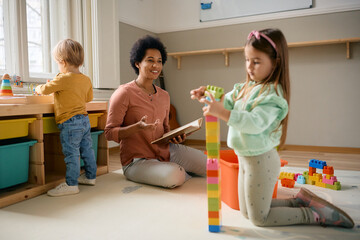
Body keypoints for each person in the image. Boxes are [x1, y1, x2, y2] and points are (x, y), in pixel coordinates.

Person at [190, 29, 354, 228]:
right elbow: (227, 101)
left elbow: (253, 122)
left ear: (275, 63)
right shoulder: (245, 87)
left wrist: (221, 113)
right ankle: (298, 201)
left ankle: (312, 215)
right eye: (247, 60)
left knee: (260, 219)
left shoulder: (273, 97)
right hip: (244, 158)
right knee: (246, 212)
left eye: (256, 61)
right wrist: (208, 94)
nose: (249, 66)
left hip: (261, 163)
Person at [104, 35, 206, 188]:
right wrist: (136, 127)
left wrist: (176, 136)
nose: (156, 66)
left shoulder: (164, 95)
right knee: (174, 175)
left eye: (159, 61)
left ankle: (176, 169)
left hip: (165, 151)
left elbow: (165, 131)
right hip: (136, 162)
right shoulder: (123, 93)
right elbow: (109, 133)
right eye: (150, 60)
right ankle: (178, 171)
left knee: (210, 164)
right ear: (137, 63)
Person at [35, 39, 97, 197]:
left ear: (62, 62)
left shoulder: (62, 78)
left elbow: (44, 90)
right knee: (87, 150)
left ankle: (71, 184)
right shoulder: (86, 79)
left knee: (72, 154)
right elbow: (88, 98)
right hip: (84, 120)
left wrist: (37, 87)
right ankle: (90, 177)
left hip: (70, 122)